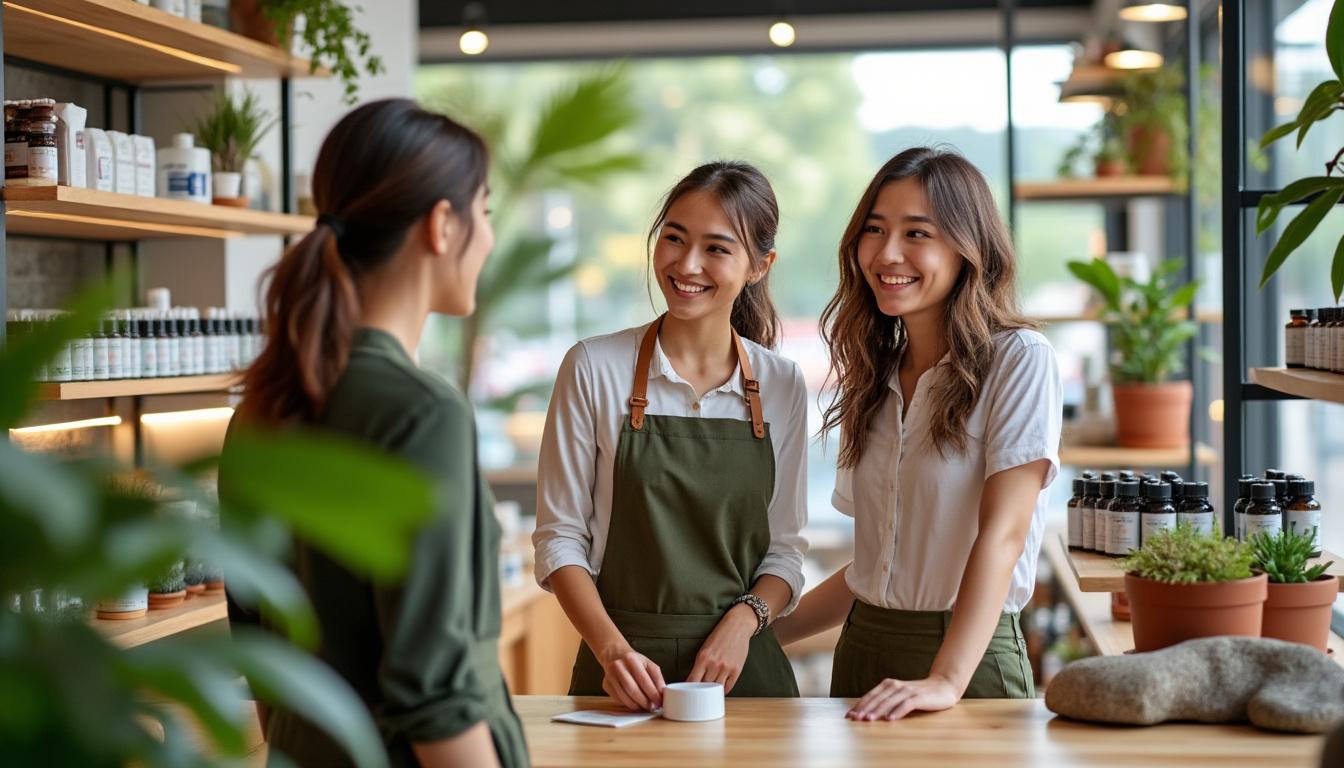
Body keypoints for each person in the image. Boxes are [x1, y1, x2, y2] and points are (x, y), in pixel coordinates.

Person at [222, 98, 527, 767]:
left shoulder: (261, 408)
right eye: (484, 210)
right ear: (441, 226)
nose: (489, 236)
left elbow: (259, 644)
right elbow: (435, 700)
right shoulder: (422, 412)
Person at [774, 147, 1061, 720]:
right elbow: (872, 573)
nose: (887, 253)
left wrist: (946, 680)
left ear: (967, 248)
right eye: (874, 230)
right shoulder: (873, 379)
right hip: (861, 654)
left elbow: (1003, 536)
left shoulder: (1019, 359)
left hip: (967, 662)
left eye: (917, 233)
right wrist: (755, 636)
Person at [533, 161, 808, 711]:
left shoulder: (781, 384)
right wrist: (611, 650)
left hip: (743, 677)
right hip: (621, 676)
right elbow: (559, 539)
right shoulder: (592, 367)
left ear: (760, 265)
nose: (686, 265)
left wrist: (742, 622)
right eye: (674, 238)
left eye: (716, 248)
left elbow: (785, 553)